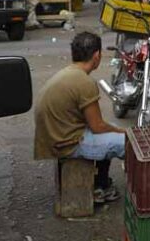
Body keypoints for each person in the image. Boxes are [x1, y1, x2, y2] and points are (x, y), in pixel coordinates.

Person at [33, 32, 125, 203]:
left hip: (56, 137)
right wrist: (125, 132)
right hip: (66, 144)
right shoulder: (84, 82)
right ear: (97, 55)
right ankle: (141, 192)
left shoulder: (69, 73)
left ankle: (100, 184)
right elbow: (98, 126)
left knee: (112, 132)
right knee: (127, 143)